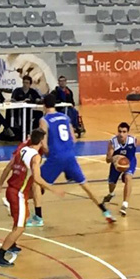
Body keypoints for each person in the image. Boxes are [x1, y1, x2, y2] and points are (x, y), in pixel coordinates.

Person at [30, 94, 113, 226]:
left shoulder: (44, 120)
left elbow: (44, 144)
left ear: (44, 105)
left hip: (56, 157)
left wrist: (48, 155)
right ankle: (106, 212)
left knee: (36, 183)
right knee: (85, 184)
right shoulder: (65, 117)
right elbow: (73, 138)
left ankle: (38, 217)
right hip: (70, 156)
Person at [0, 128, 63, 267]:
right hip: (18, 193)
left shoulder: (22, 150)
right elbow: (37, 178)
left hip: (11, 190)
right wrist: (53, 189)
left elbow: (8, 168)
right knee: (20, 227)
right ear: (41, 141)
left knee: (21, 219)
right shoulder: (36, 157)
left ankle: (11, 244)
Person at [103, 122, 140, 216]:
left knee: (128, 178)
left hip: (130, 161)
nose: (121, 134)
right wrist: (114, 158)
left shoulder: (133, 140)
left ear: (128, 133)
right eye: (120, 131)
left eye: (124, 132)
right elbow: (107, 160)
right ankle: (111, 193)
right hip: (117, 164)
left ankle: (125, 204)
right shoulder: (113, 142)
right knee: (112, 183)